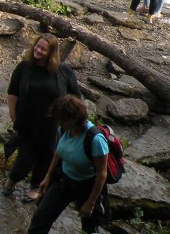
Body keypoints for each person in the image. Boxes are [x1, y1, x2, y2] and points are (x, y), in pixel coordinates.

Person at [4, 34, 82, 202]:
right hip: (28, 121)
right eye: (37, 46)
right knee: (25, 156)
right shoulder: (24, 67)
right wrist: (13, 115)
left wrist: (72, 122)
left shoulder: (62, 71)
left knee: (47, 157)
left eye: (43, 49)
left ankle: (35, 187)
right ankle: (12, 179)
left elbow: (75, 96)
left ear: (51, 52)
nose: (38, 50)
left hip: (53, 124)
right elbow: (12, 92)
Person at [26, 95, 110, 234]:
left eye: (63, 120)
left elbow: (102, 174)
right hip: (64, 180)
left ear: (76, 118)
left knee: (90, 227)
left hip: (88, 186)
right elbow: (59, 152)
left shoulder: (95, 139)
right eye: (58, 119)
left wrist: (90, 202)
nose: (59, 123)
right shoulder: (64, 129)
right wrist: (48, 176)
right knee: (40, 219)